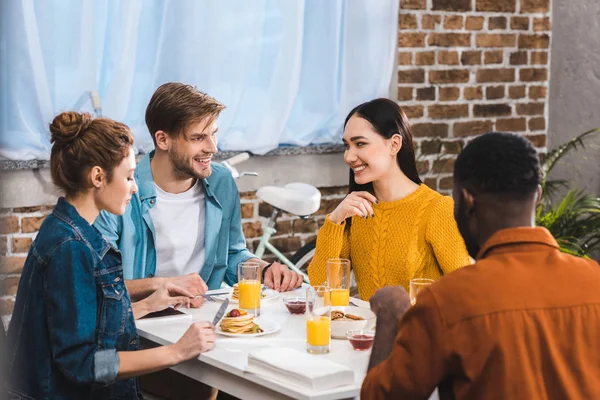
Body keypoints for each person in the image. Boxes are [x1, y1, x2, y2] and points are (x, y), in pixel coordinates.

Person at [362, 132, 600, 399]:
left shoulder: (447, 300)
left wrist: (390, 317)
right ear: (538, 197)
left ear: (467, 200)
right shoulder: (595, 281)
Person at [6, 112, 216, 399]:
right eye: (129, 176)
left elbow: (84, 320)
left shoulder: (65, 230)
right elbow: (82, 363)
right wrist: (177, 351)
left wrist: (148, 303)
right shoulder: (71, 248)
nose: (134, 187)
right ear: (98, 177)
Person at [94, 83, 303, 308]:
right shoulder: (121, 191)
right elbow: (98, 283)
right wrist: (168, 284)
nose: (212, 147)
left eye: (213, 134)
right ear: (163, 140)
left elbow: (232, 252)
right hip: (139, 323)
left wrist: (264, 269)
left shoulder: (221, 181)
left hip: (201, 317)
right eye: (197, 138)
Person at [308, 98, 470, 300]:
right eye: (347, 146)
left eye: (360, 144)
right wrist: (335, 221)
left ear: (394, 144)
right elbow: (321, 287)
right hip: (366, 331)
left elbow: (466, 290)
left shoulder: (437, 209)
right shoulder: (356, 210)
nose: (349, 156)